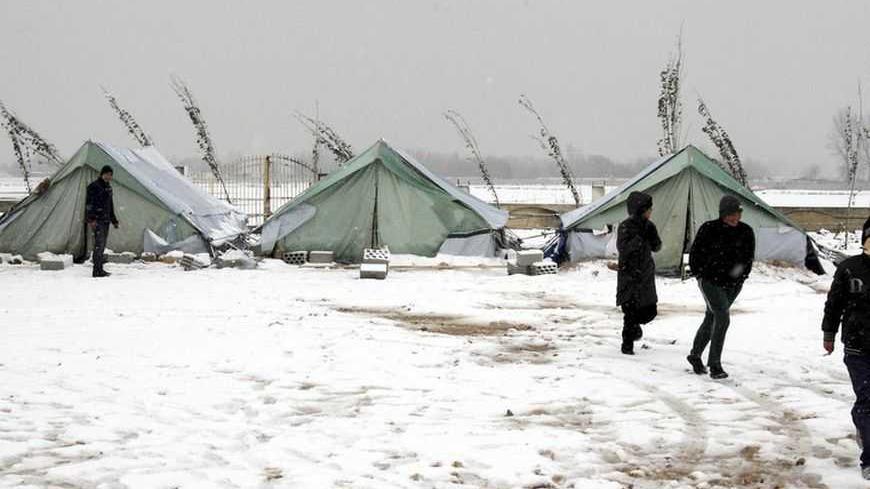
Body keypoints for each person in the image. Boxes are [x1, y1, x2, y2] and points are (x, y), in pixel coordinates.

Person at [686, 195, 755, 379]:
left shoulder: (746, 231)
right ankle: (715, 365)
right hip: (710, 281)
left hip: (733, 284)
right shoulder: (709, 229)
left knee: (712, 317)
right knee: (722, 317)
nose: (734, 218)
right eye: (730, 214)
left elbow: (748, 258)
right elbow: (695, 255)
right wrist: (700, 273)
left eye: (737, 214)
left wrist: (740, 276)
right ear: (722, 214)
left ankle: (694, 355)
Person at [823, 216, 870, 479]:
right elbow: (834, 303)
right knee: (867, 399)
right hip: (857, 347)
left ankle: (864, 429)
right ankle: (869, 461)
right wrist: (828, 333)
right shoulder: (850, 269)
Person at [616, 191, 662, 355]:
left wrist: (653, 238)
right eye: (648, 209)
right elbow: (623, 250)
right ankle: (627, 345)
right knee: (630, 311)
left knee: (650, 311)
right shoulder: (625, 227)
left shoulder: (650, 226)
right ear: (640, 209)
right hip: (629, 274)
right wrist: (638, 239)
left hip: (646, 274)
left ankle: (634, 327)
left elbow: (657, 247)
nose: (650, 212)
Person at [85, 165, 119, 278]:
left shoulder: (108, 187)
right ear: (102, 174)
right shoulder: (94, 186)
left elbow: (110, 205)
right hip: (97, 220)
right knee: (98, 245)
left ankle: (100, 269)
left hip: (105, 220)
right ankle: (96, 270)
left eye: (110, 175)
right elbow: (89, 204)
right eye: (107, 174)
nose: (109, 177)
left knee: (102, 245)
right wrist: (91, 219)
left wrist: (114, 220)